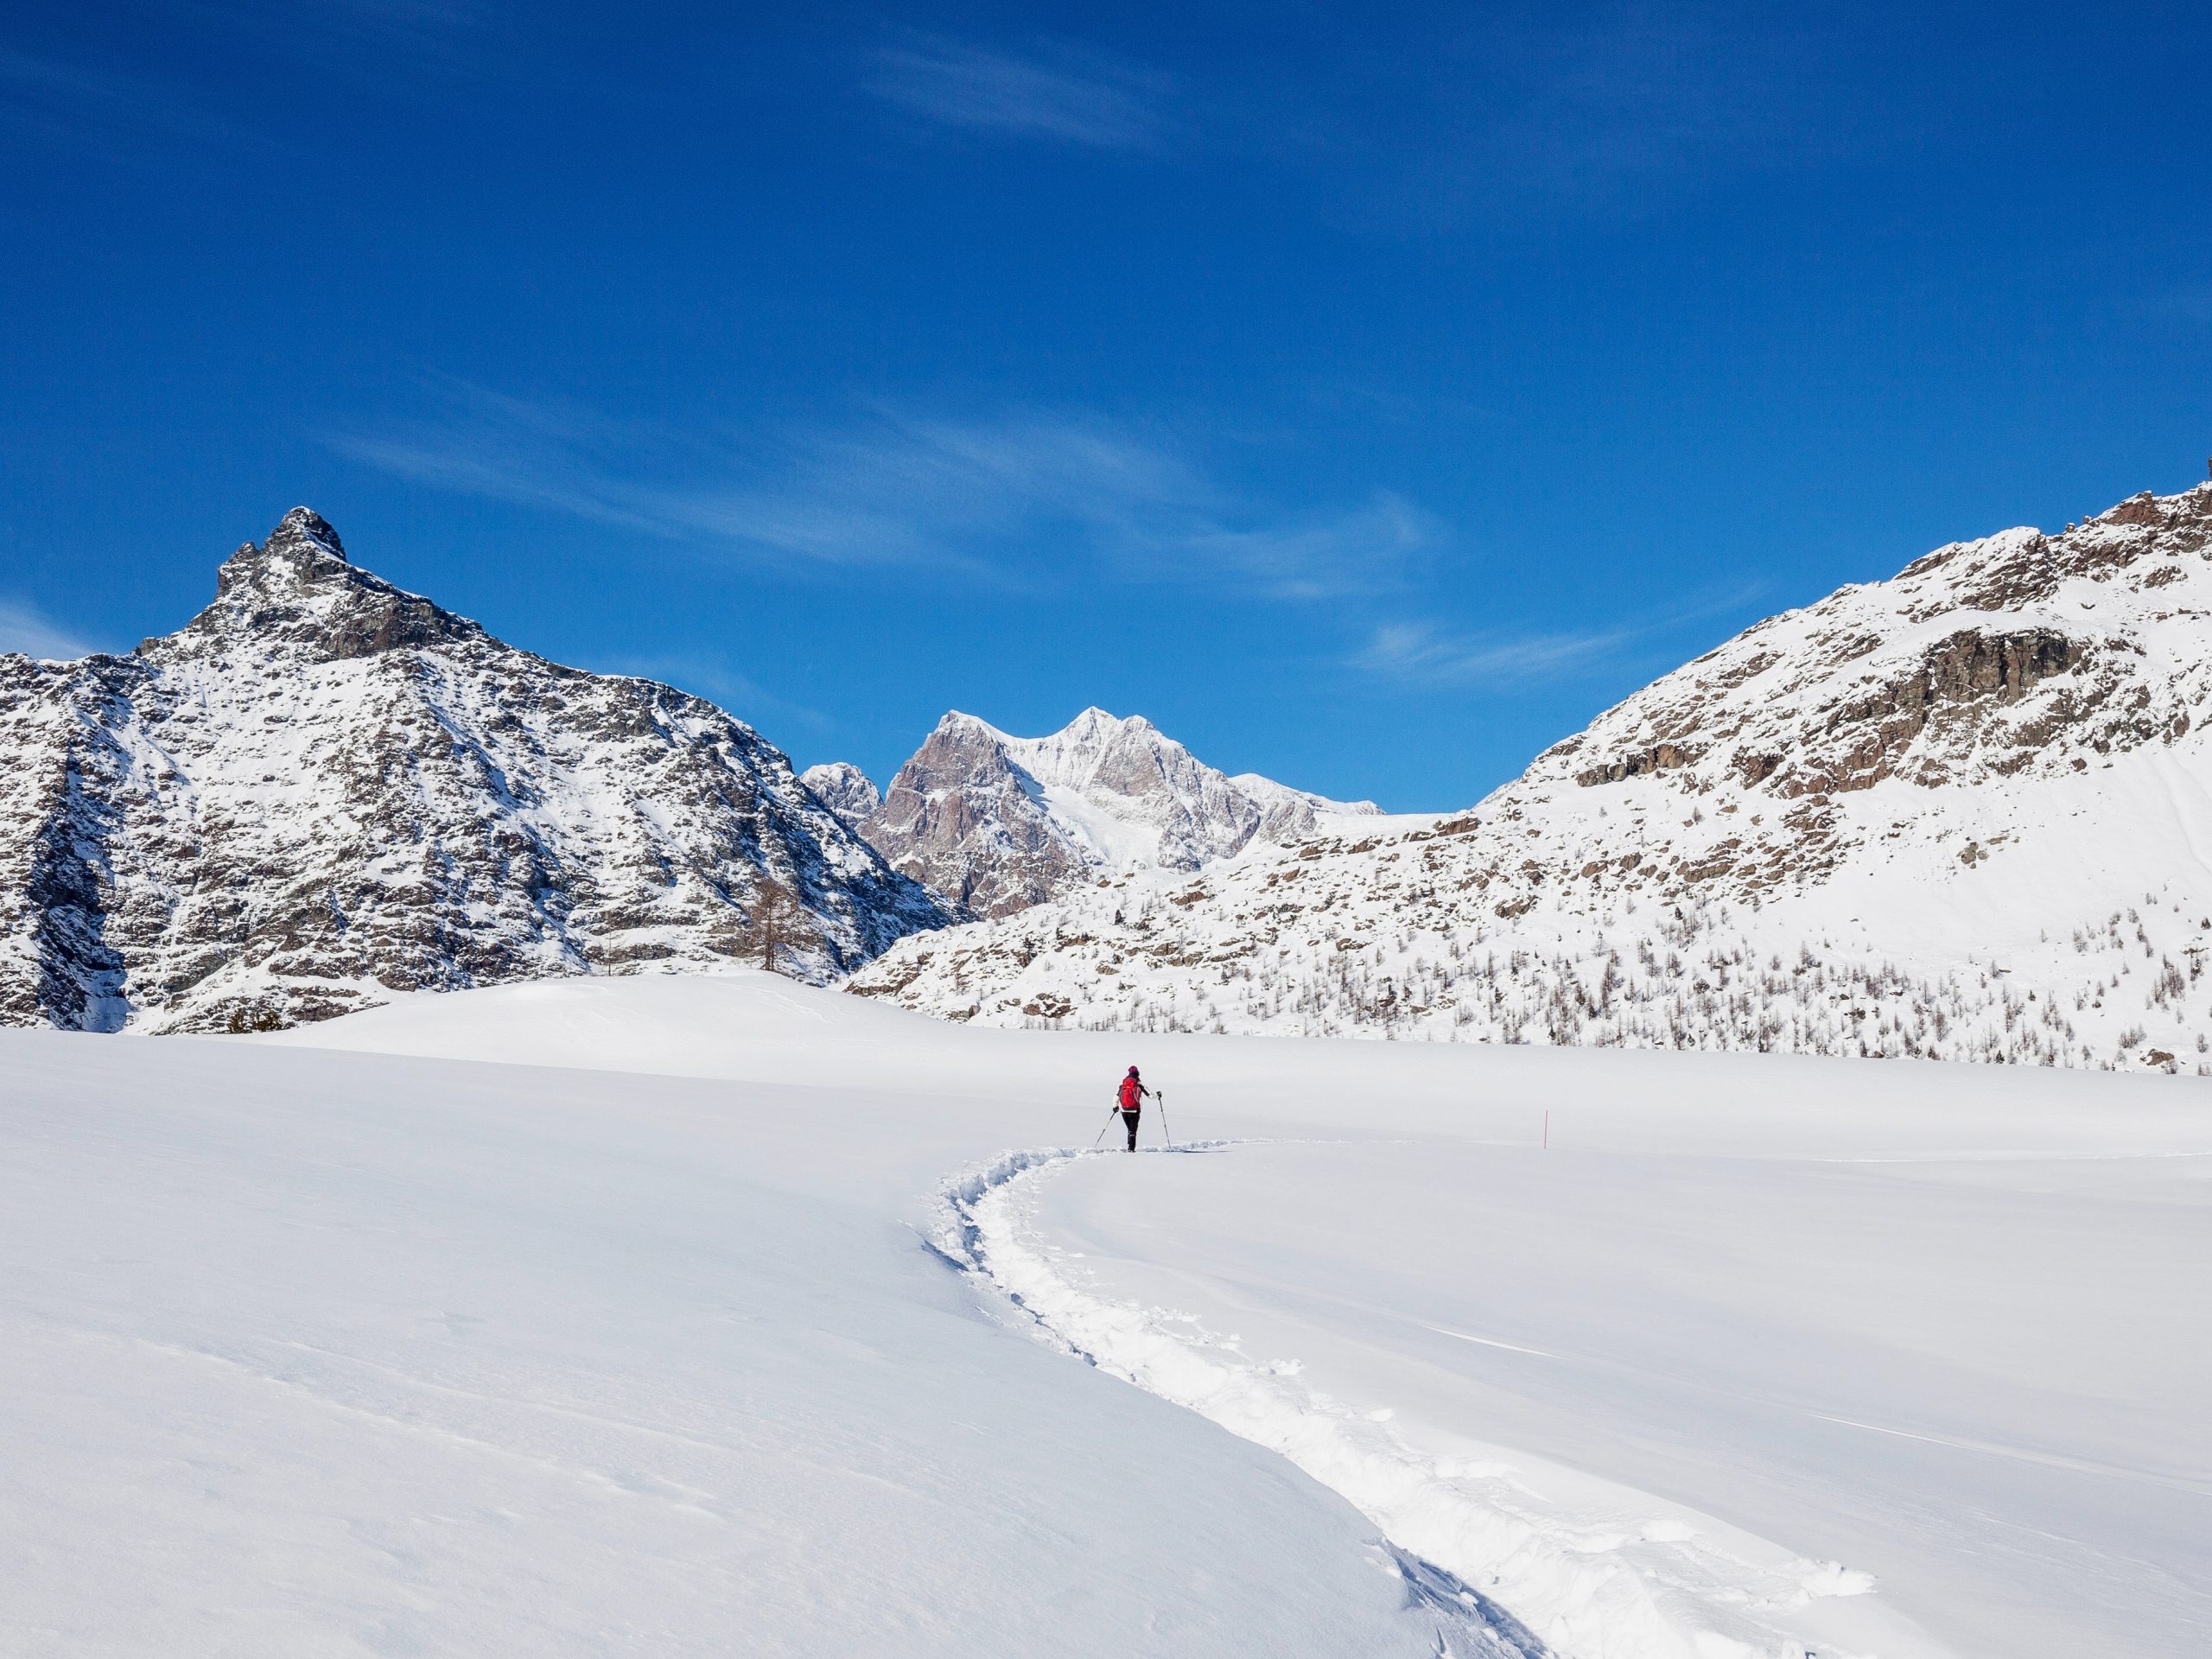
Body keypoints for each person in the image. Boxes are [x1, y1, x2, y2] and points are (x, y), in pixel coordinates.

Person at [1116, 1065, 1150, 1152]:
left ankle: (1129, 1146)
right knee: (1133, 1130)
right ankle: (1131, 1149)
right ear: (1137, 1073)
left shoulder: (1123, 1085)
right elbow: (1150, 1095)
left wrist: (1115, 1107)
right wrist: (1158, 1095)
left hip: (1124, 1111)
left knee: (1130, 1129)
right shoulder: (1139, 1084)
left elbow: (1116, 1097)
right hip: (1135, 1111)